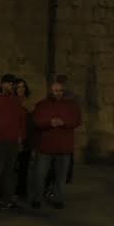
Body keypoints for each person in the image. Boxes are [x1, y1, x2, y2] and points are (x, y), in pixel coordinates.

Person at [30, 79, 80, 210]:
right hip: (45, 146)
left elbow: (76, 120)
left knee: (60, 177)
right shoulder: (41, 105)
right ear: (50, 91)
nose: (58, 93)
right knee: (40, 175)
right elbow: (36, 121)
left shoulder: (71, 106)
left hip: (63, 147)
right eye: (55, 90)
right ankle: (37, 198)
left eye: (60, 91)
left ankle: (59, 199)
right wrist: (49, 122)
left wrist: (63, 122)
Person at [0, 74, 26, 210]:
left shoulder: (15, 101)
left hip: (12, 140)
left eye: (13, 84)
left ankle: (7, 199)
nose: (11, 86)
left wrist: (20, 137)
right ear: (2, 84)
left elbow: (20, 120)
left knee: (9, 171)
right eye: (9, 84)